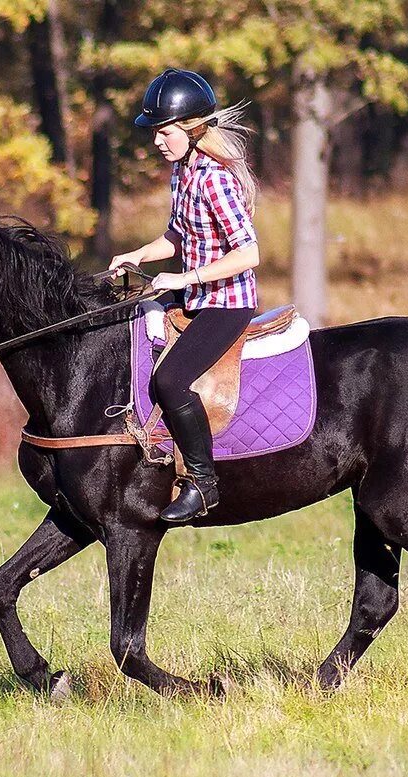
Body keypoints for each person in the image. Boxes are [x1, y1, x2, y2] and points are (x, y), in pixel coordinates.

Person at [108, 68, 261, 523]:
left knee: (172, 379)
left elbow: (249, 252)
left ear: (193, 130)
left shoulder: (215, 178)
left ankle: (203, 483)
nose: (156, 139)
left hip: (227, 303)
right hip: (196, 297)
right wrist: (138, 255)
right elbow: (177, 236)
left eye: (164, 130)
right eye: (154, 131)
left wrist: (183, 279)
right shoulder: (182, 172)